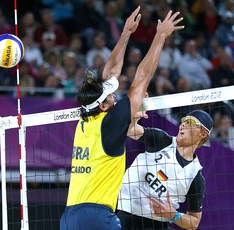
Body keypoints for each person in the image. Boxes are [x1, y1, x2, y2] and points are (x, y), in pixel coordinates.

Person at [60, 7, 184, 230]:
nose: (114, 95)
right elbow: (143, 76)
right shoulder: (112, 122)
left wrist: (125, 34)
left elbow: (109, 74)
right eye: (110, 96)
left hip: (69, 216)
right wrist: (160, 36)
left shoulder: (85, 120)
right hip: (96, 215)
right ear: (104, 106)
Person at [117, 109, 213, 230]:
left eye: (189, 122)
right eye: (183, 120)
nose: (182, 124)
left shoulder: (195, 176)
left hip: (157, 224)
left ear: (203, 134)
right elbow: (130, 130)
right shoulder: (162, 140)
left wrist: (174, 215)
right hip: (124, 214)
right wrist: (134, 118)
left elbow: (194, 222)